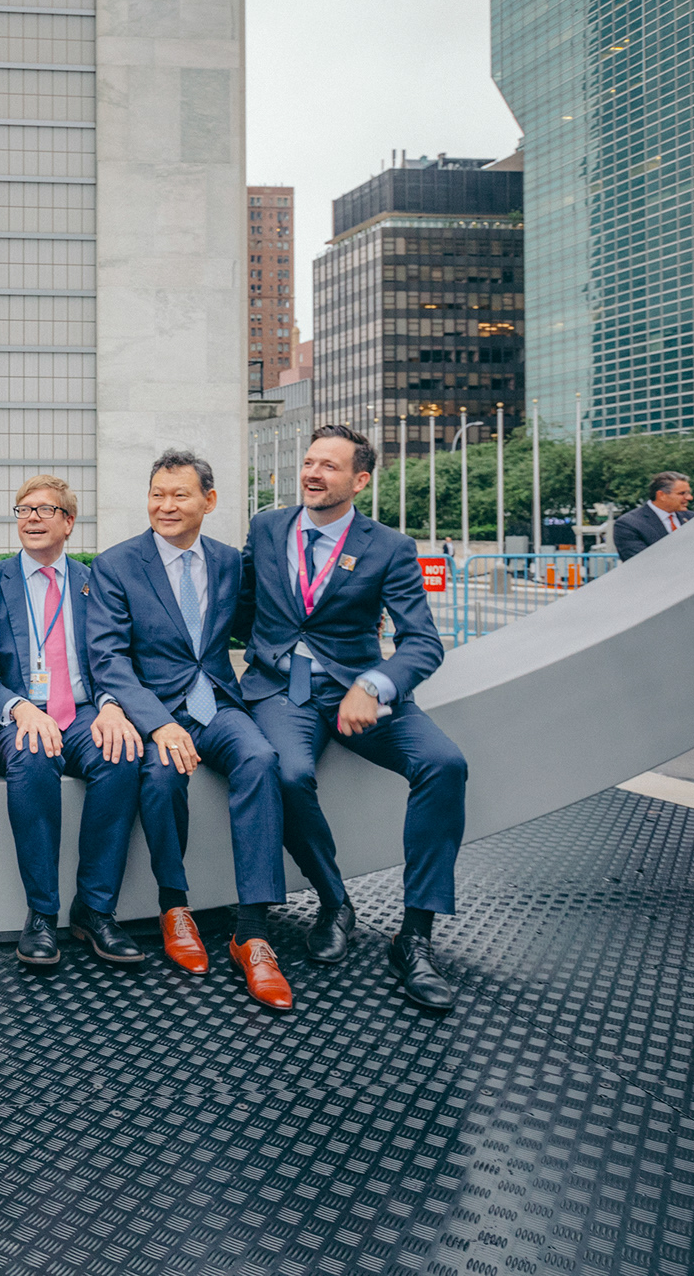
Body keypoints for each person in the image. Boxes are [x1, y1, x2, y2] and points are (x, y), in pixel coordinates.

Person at [236, 423, 469, 1011]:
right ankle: (334, 900)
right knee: (286, 774)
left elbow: (423, 642)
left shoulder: (389, 546)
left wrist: (374, 683)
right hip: (280, 691)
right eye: (309, 462)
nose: (313, 474)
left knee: (444, 764)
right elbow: (237, 607)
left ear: (360, 480)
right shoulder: (266, 528)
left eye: (329, 466)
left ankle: (414, 936)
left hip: (355, 692)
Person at [87, 451, 290, 1009]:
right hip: (156, 709)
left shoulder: (229, 563)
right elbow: (108, 660)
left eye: (180, 495)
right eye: (158, 494)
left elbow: (261, 623)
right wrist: (157, 725)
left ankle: (252, 932)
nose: (166, 505)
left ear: (209, 501)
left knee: (261, 759)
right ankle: (174, 907)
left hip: (219, 704)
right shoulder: (117, 565)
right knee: (159, 777)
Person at [0, 475, 145, 969]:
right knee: (33, 753)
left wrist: (111, 704)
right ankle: (43, 913)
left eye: (44, 510)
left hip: (84, 711)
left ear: (68, 522)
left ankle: (95, 908)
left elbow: (115, 656)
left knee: (122, 754)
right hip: (16, 713)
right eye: (23, 509)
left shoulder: (96, 583)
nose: (31, 518)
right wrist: (18, 706)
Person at [612, 470, 694, 561]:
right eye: (682, 493)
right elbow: (641, 561)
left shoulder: (692, 518)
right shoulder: (629, 524)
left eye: (688, 493)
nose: (689, 498)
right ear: (661, 495)